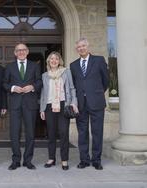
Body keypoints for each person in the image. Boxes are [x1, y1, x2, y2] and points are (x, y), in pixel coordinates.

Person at [70, 38, 109, 170]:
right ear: (77, 49)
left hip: (97, 102)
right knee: (82, 133)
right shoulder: (73, 65)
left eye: (83, 46)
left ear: (88, 46)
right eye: (79, 47)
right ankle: (84, 160)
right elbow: (74, 85)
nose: (81, 48)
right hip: (81, 104)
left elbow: (106, 81)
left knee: (97, 132)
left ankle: (96, 160)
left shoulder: (99, 60)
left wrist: (96, 93)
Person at [3, 43, 42, 170]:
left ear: (27, 51)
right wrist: (13, 88)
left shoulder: (34, 66)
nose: (21, 52)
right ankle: (15, 160)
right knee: (14, 133)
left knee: (30, 133)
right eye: (18, 50)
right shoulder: (9, 67)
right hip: (15, 104)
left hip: (30, 104)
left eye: (23, 50)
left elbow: (40, 81)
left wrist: (32, 87)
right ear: (15, 53)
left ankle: (28, 160)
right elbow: (4, 83)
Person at [40, 51, 78, 170]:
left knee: (63, 133)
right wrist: (42, 109)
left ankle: (64, 160)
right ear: (48, 61)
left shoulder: (66, 72)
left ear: (59, 61)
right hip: (49, 106)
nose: (54, 61)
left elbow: (72, 88)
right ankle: (51, 158)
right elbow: (43, 93)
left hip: (63, 105)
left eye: (56, 58)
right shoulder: (45, 75)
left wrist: (73, 103)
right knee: (51, 134)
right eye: (51, 59)